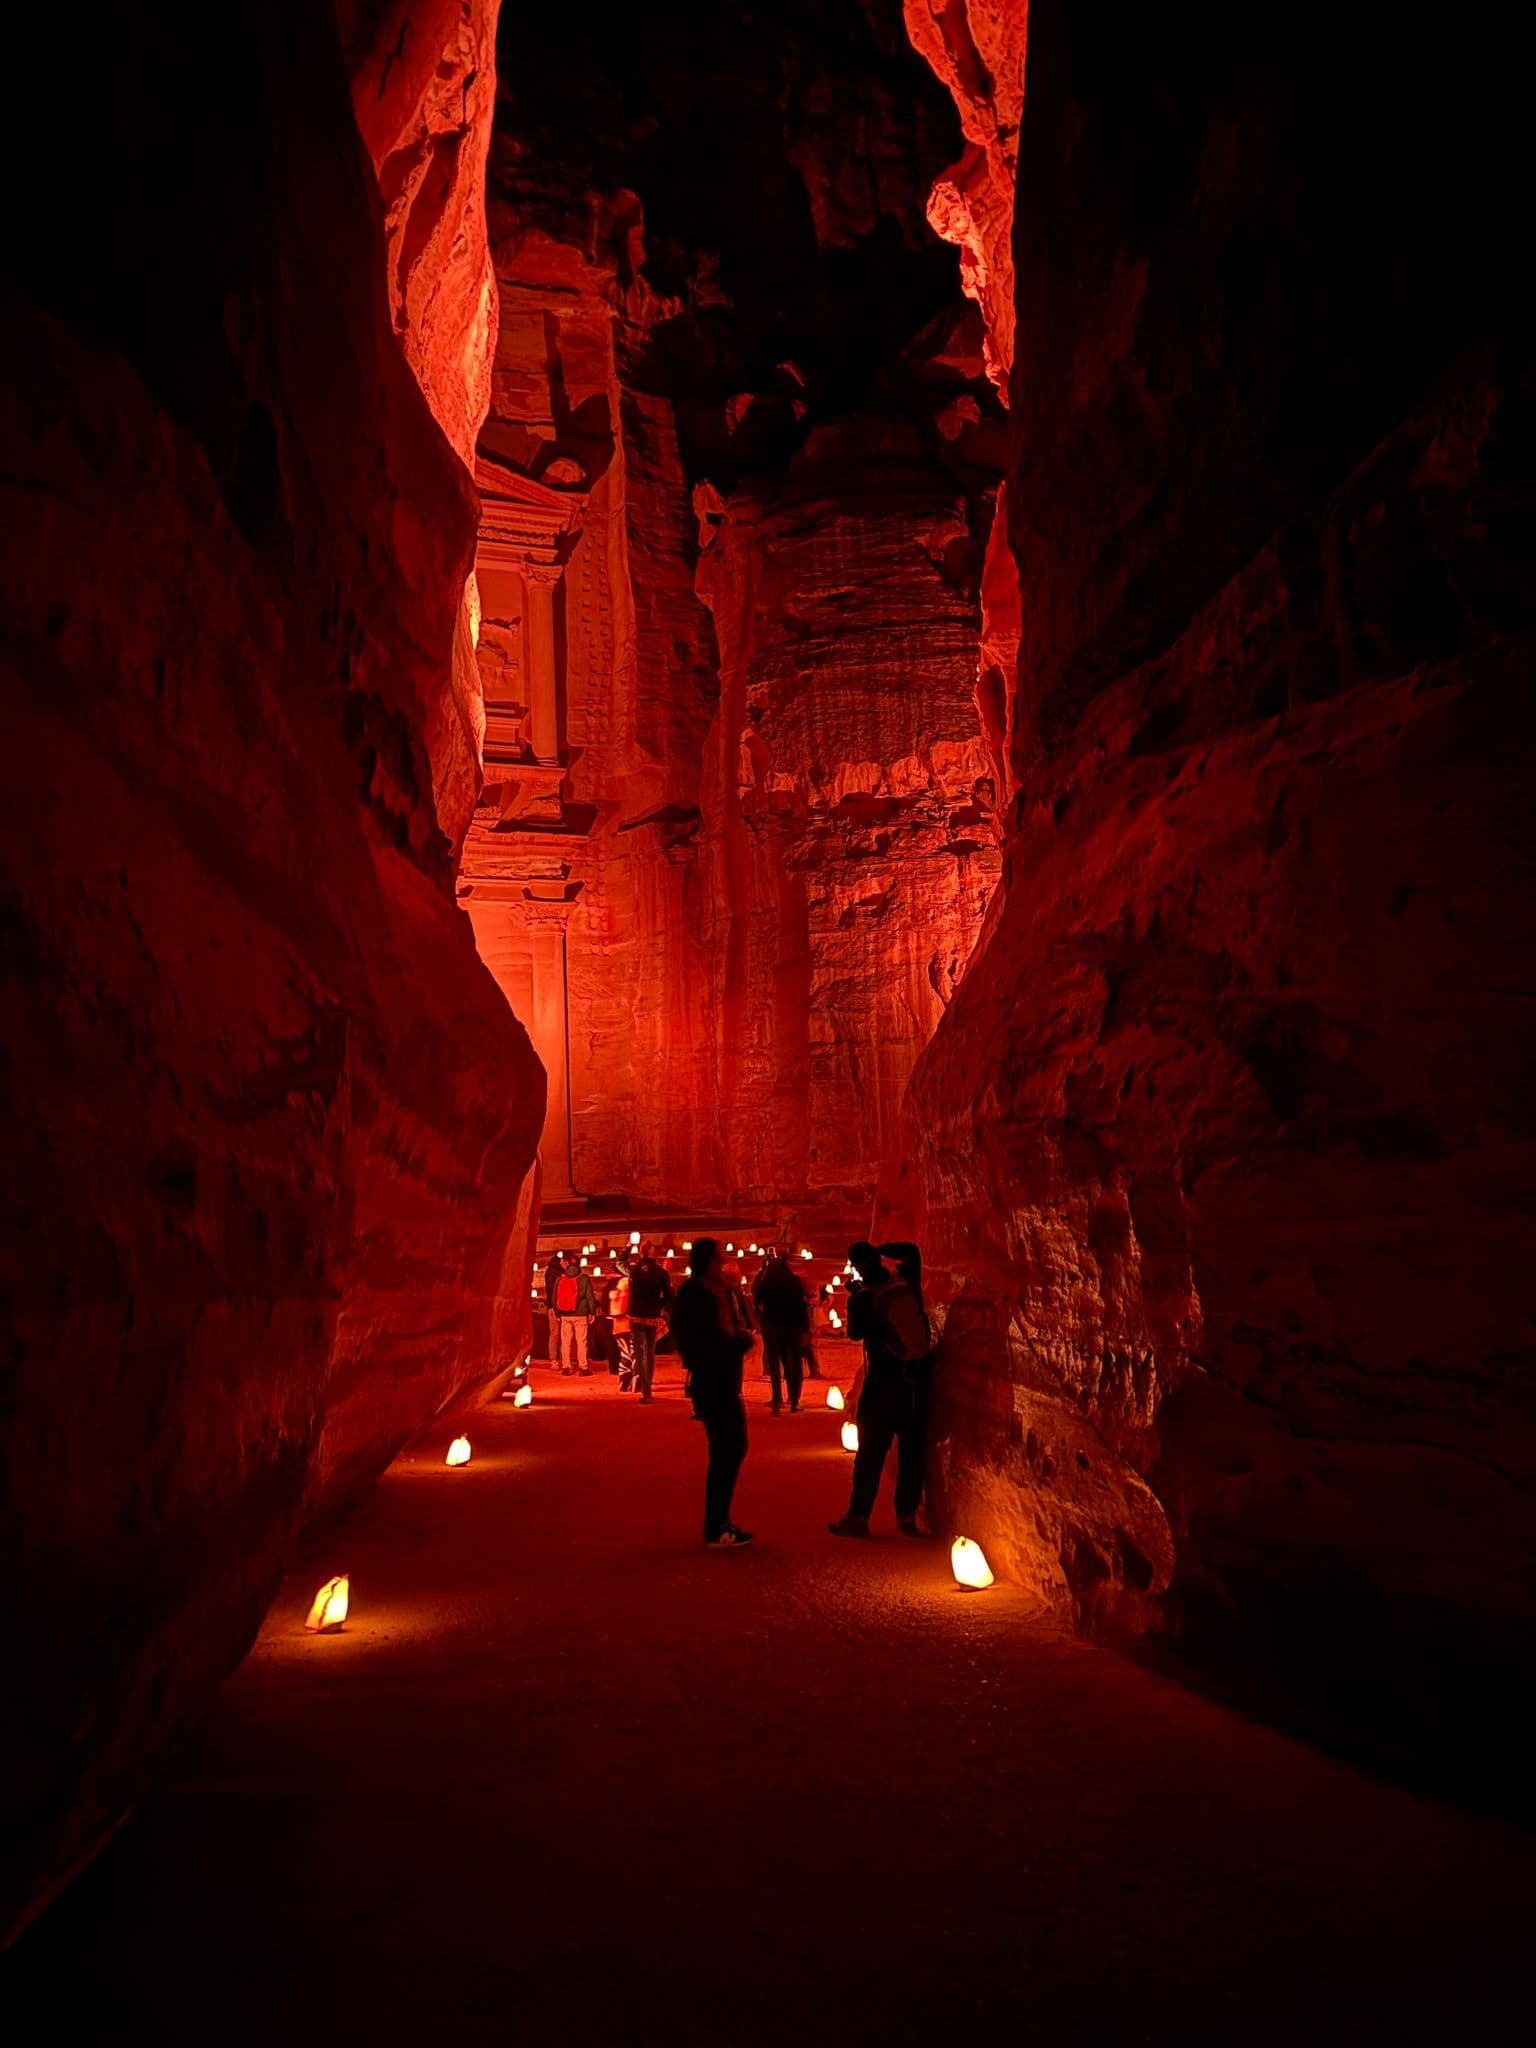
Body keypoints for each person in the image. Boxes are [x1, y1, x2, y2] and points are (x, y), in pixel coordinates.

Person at [829, 1240, 934, 1539]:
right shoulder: (906, 1282)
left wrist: (858, 1296)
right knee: (912, 1451)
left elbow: (855, 1333)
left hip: (884, 1380)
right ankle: (907, 1516)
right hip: (916, 1378)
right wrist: (882, 1248)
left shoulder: (863, 1297)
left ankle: (858, 1517)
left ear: (857, 1268)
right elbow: (912, 1251)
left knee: (871, 1453)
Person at [671, 1238, 754, 1547]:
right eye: (719, 1259)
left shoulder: (714, 1292)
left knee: (730, 1448)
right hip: (712, 1381)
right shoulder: (696, 1296)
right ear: (706, 1262)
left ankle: (719, 1521)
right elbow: (706, 1342)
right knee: (728, 1449)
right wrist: (741, 1343)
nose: (724, 1263)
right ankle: (715, 1527)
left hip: (722, 1380)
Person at [752, 1249, 811, 1413]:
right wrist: (805, 1328)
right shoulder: (793, 1281)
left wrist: (760, 1274)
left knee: (774, 1365)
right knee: (793, 1363)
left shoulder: (766, 1282)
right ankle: (794, 1400)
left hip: (771, 1327)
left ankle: (777, 1400)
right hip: (792, 1327)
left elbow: (756, 1298)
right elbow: (801, 1306)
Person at [626, 1241, 673, 1403]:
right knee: (649, 1352)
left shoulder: (634, 1270)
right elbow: (669, 1295)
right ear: (653, 1254)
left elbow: (618, 1263)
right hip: (652, 1315)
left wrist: (627, 1248)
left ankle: (643, 1386)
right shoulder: (661, 1273)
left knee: (639, 1352)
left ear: (641, 1253)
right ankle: (648, 1389)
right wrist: (660, 1306)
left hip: (635, 1314)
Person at [550, 1251, 596, 1376]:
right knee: (581, 1341)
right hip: (581, 1315)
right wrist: (592, 1312)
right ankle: (583, 1367)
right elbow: (590, 1297)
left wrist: (558, 1314)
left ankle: (566, 1366)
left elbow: (554, 1298)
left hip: (565, 1315)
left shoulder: (560, 1278)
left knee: (565, 1342)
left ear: (567, 1264)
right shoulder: (584, 1279)